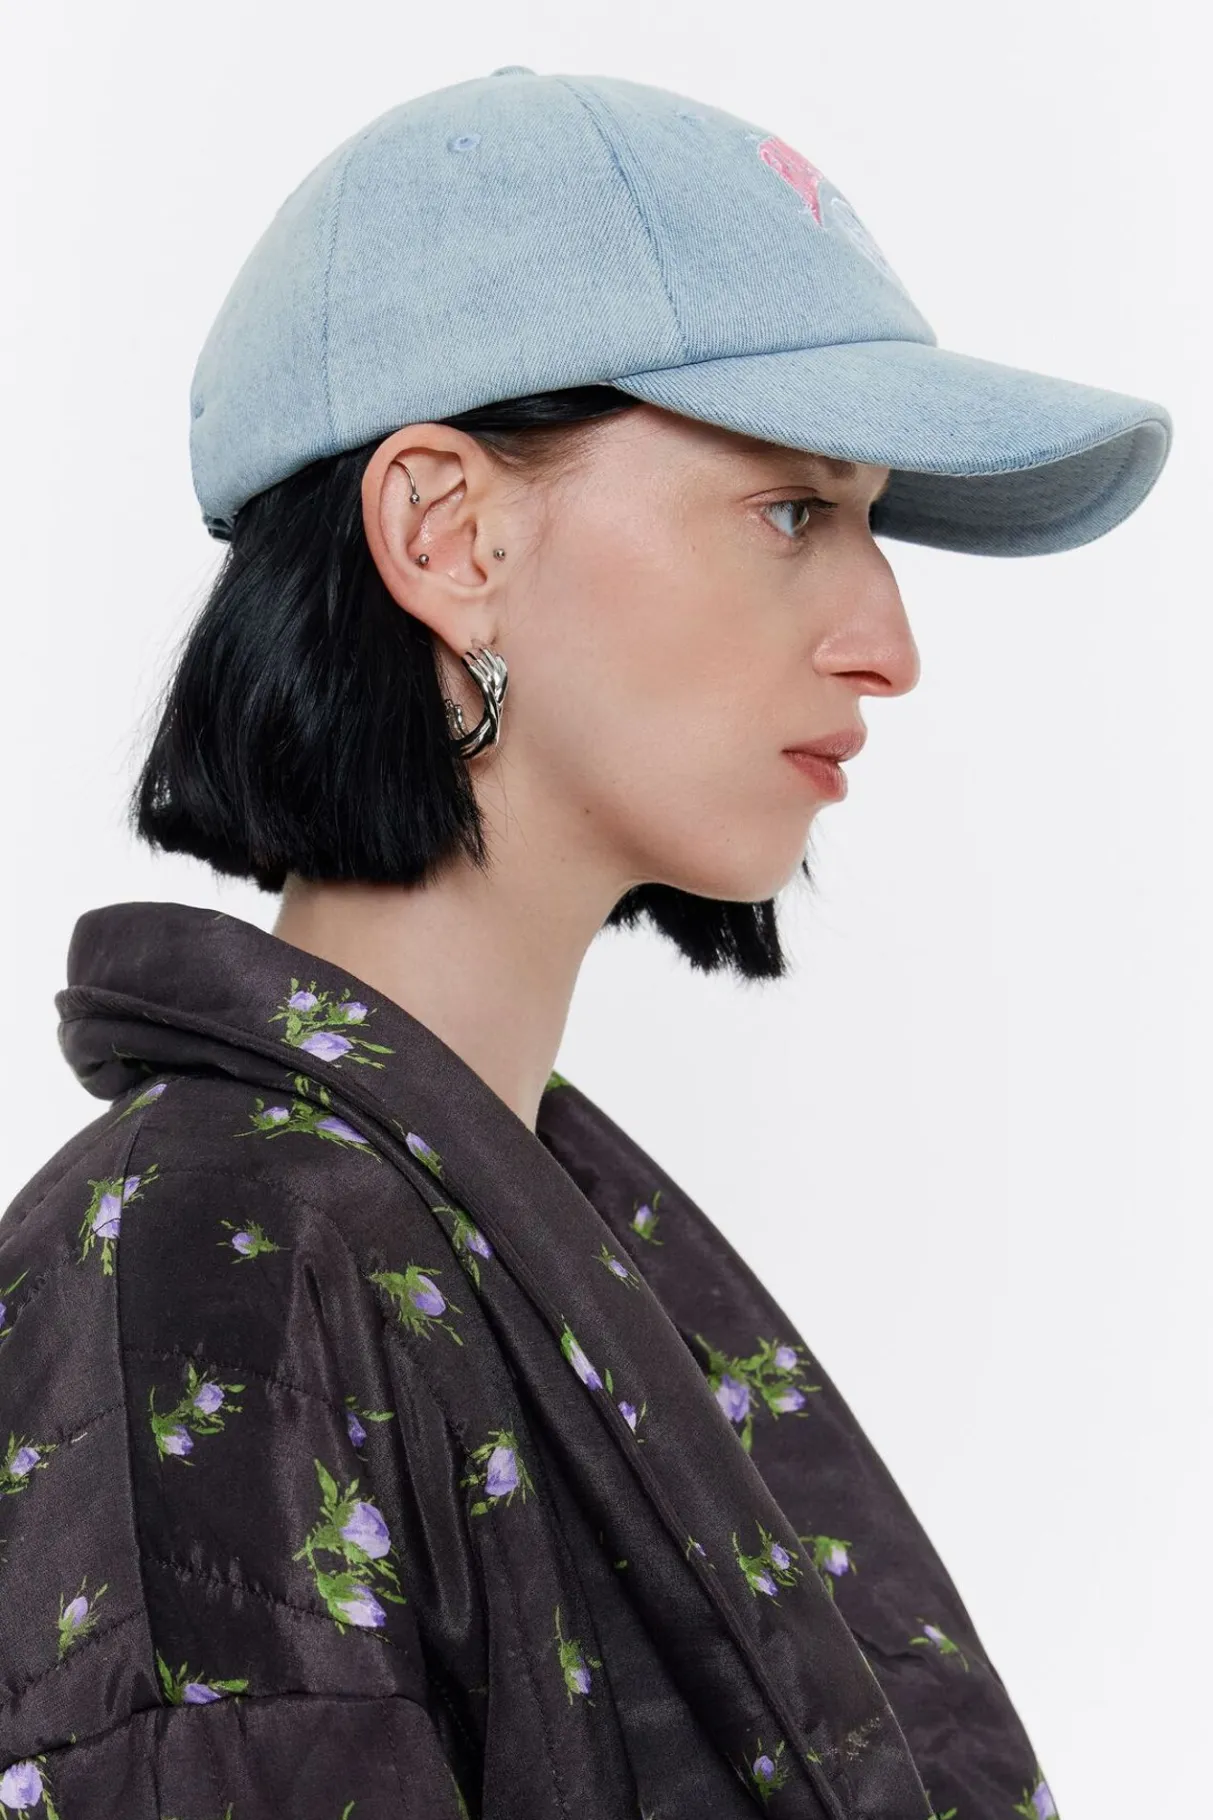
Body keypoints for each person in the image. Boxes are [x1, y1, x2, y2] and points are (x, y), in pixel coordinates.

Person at [0, 65, 1171, 1820]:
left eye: (867, 520)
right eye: (795, 511)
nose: (890, 642)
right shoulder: (221, 1272)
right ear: (448, 533)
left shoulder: (485, 1226)